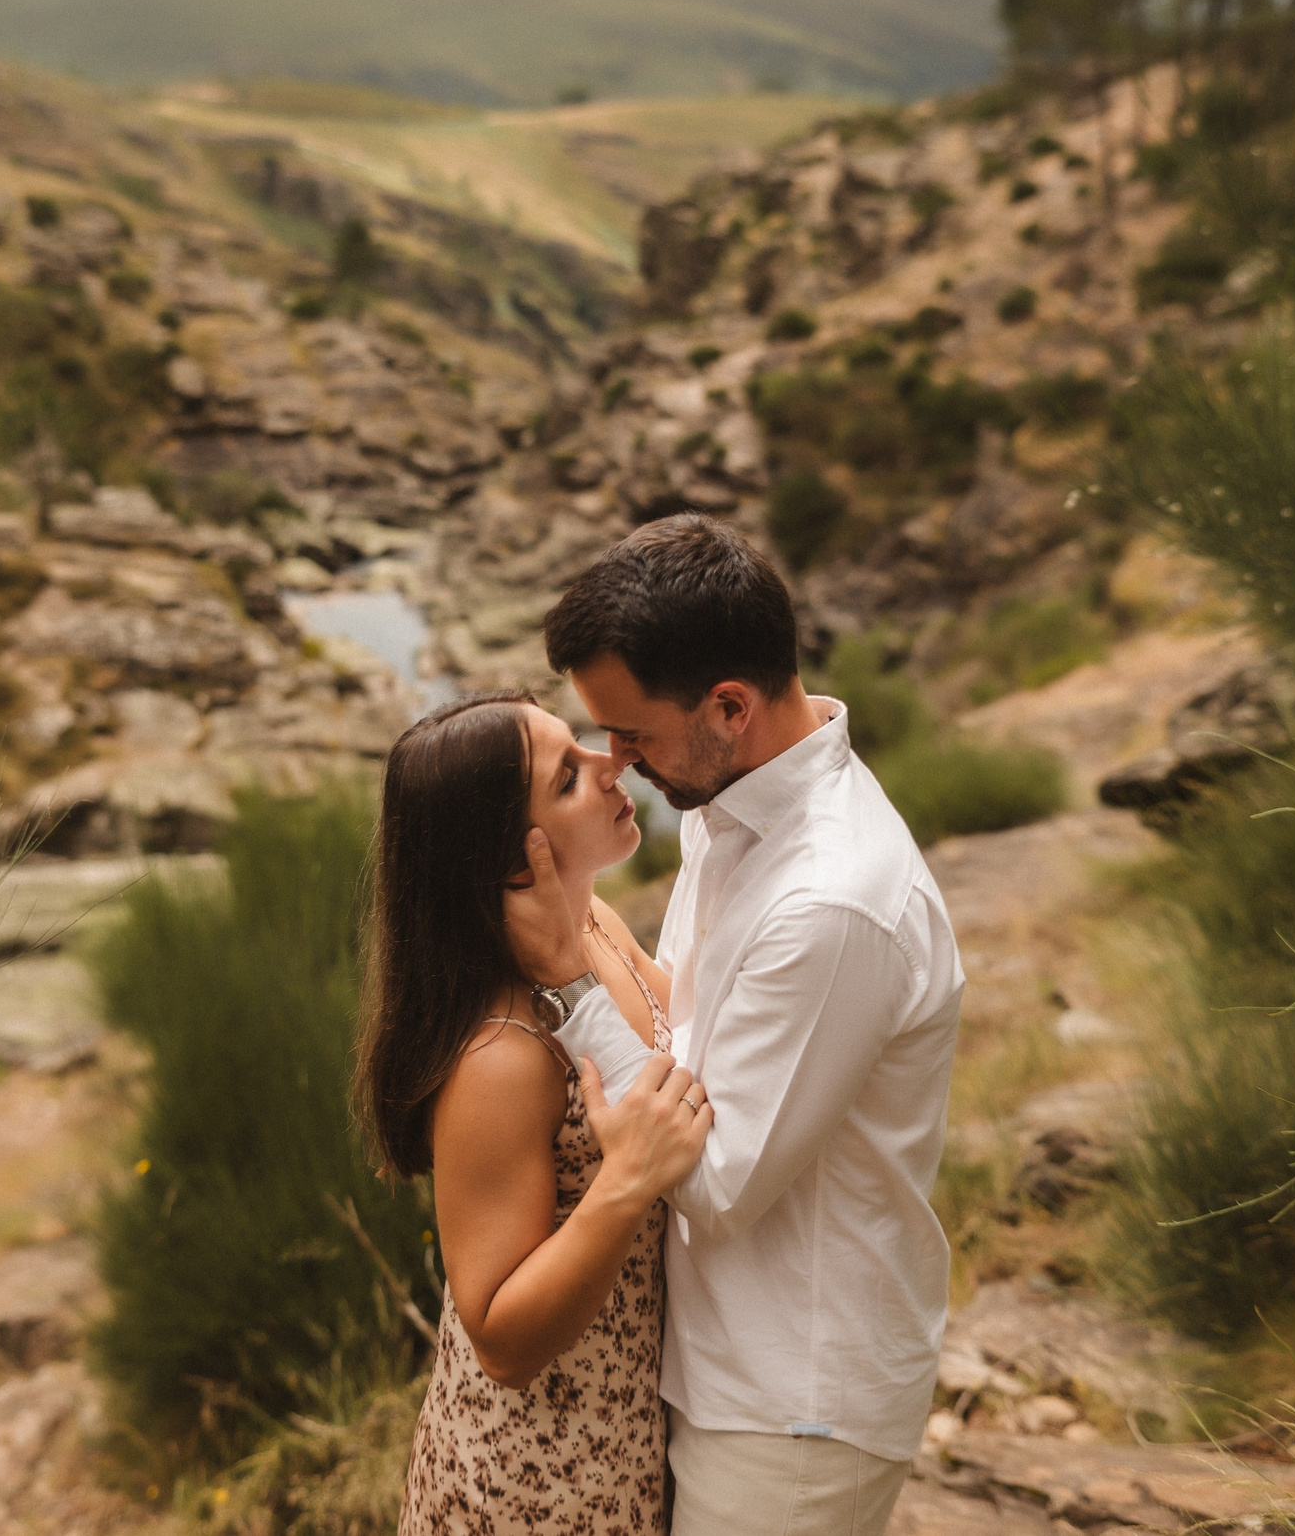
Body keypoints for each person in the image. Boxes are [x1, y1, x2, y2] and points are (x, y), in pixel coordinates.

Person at [508, 514, 964, 1536]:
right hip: (724, 1368)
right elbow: (693, 1045)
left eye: (634, 732)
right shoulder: (731, 805)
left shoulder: (831, 900)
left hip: (790, 1401)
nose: (617, 762)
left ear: (729, 705)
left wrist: (569, 980)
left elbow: (714, 1181)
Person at [360, 690, 713, 1536]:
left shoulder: (592, 926)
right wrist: (625, 1182)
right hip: (531, 1489)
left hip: (619, 1442)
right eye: (569, 776)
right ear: (517, 863)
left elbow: (692, 1067)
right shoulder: (504, 1055)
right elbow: (500, 1339)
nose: (612, 760)